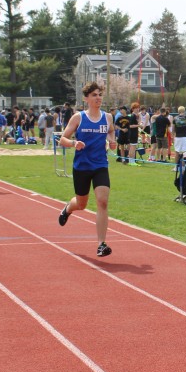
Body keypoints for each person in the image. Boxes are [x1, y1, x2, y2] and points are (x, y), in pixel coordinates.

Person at [57, 81, 118, 258]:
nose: (98, 98)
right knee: (81, 204)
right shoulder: (78, 118)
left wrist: (112, 140)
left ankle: (101, 244)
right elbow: (62, 139)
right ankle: (68, 208)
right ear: (86, 99)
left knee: (102, 202)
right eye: (94, 95)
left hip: (100, 165)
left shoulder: (107, 117)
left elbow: (111, 131)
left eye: (100, 94)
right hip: (82, 167)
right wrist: (74, 143)